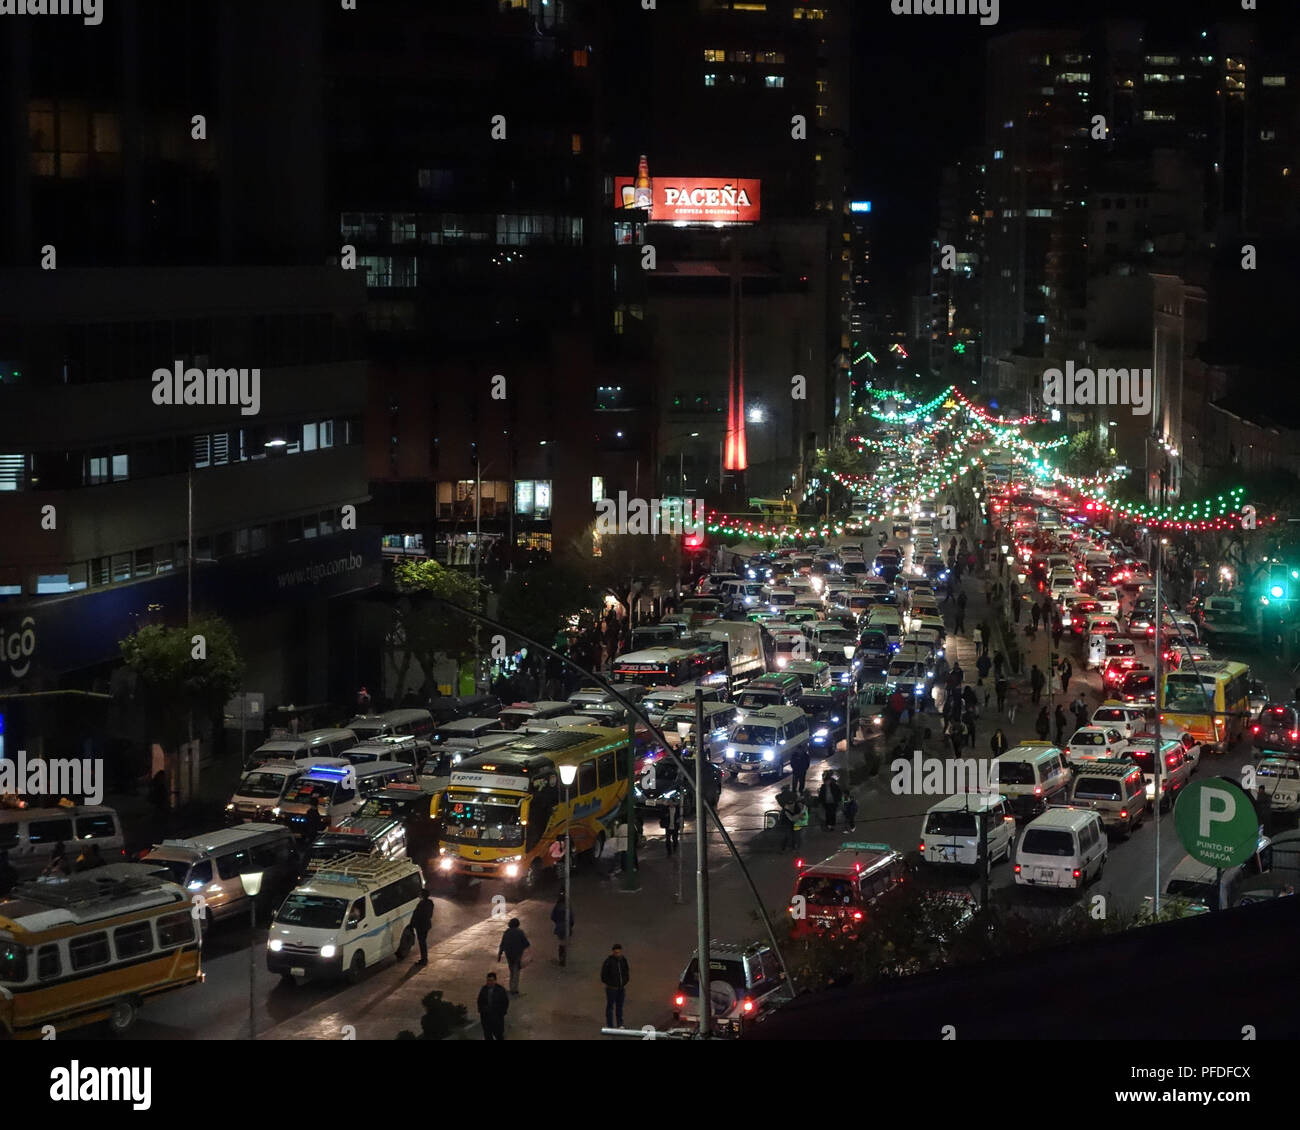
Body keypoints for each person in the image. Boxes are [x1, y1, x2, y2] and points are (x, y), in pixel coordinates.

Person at [497, 918, 531, 995]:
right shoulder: (520, 933)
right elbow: (526, 944)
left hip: (509, 955)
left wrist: (500, 954)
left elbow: (502, 944)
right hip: (517, 955)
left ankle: (512, 987)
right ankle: (514, 989)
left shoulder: (506, 932)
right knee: (516, 972)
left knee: (512, 971)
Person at [600, 943, 631, 1029]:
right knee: (610, 1006)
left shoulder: (623, 960)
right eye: (616, 952)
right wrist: (610, 983)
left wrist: (624, 982)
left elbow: (626, 972)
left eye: (618, 952)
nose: (617, 953)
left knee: (619, 1006)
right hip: (611, 989)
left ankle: (620, 1023)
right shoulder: (609, 962)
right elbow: (603, 975)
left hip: (621, 988)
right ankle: (610, 1025)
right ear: (613, 952)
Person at [477, 971, 510, 1040]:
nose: (489, 982)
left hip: (497, 1018)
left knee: (499, 1035)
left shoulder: (500, 990)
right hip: (486, 1018)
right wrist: (482, 1011)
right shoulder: (484, 989)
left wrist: (501, 1013)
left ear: (495, 981)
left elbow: (505, 1003)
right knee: (488, 1036)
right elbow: (479, 1001)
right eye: (488, 980)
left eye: (491, 980)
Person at [410, 887, 434, 965]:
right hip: (426, 925)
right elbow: (430, 915)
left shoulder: (422, 904)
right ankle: (424, 958)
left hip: (421, 926)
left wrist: (412, 924)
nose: (419, 895)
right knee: (423, 941)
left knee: (422, 942)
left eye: (420, 894)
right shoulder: (430, 903)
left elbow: (417, 915)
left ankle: (424, 959)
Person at [551, 893, 574, 966]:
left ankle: (561, 959)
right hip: (567, 927)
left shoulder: (557, 907)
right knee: (565, 943)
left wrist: (557, 922)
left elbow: (552, 916)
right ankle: (564, 959)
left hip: (559, 927)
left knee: (561, 943)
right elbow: (571, 918)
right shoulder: (568, 907)